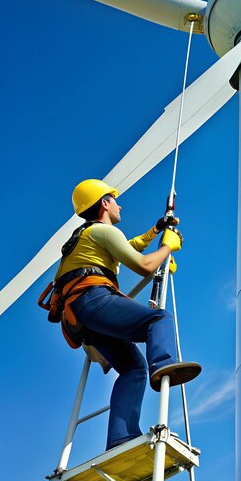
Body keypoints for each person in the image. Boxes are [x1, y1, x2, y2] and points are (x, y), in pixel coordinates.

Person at [53, 178, 201, 451]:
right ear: (105, 203)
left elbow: (127, 248)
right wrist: (167, 246)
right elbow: (144, 266)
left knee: (133, 368)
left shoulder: (86, 236)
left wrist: (156, 230)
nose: (120, 205)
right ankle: (164, 366)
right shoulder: (104, 232)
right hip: (94, 300)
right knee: (159, 319)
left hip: (82, 320)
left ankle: (121, 437)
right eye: (115, 199)